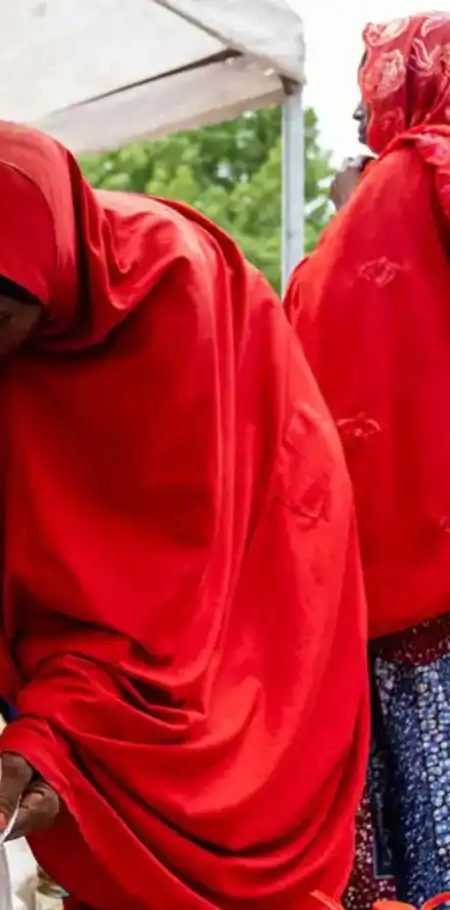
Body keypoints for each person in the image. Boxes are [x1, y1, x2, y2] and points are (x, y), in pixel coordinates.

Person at [0, 120, 369, 909]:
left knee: (238, 833)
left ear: (57, 275)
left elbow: (171, 579)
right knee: (84, 825)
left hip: (246, 607)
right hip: (81, 666)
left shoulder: (171, 294)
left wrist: (59, 729)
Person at [284, 14, 450, 908]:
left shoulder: (401, 190)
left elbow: (305, 369)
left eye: (365, 108)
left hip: (409, 598)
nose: (362, 125)